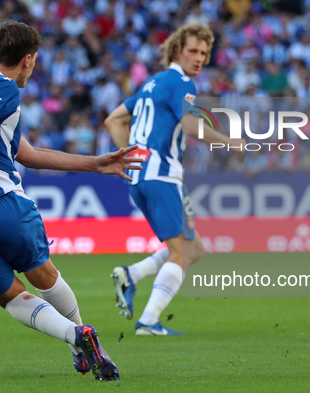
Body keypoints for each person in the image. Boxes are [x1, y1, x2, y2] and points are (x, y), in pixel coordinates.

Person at [0, 21, 143, 380]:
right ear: (28, 60)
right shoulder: (3, 86)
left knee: (12, 297)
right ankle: (80, 337)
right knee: (45, 276)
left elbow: (26, 153)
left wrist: (94, 164)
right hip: (2, 204)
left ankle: (77, 341)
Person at [104, 23, 242, 335]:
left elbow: (113, 120)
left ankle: (132, 274)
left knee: (193, 249)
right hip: (163, 176)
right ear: (177, 50)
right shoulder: (181, 82)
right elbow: (192, 128)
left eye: (204, 53)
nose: (199, 58)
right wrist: (230, 142)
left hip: (142, 178)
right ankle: (148, 322)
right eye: (193, 51)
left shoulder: (152, 83)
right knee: (181, 252)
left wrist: (130, 156)